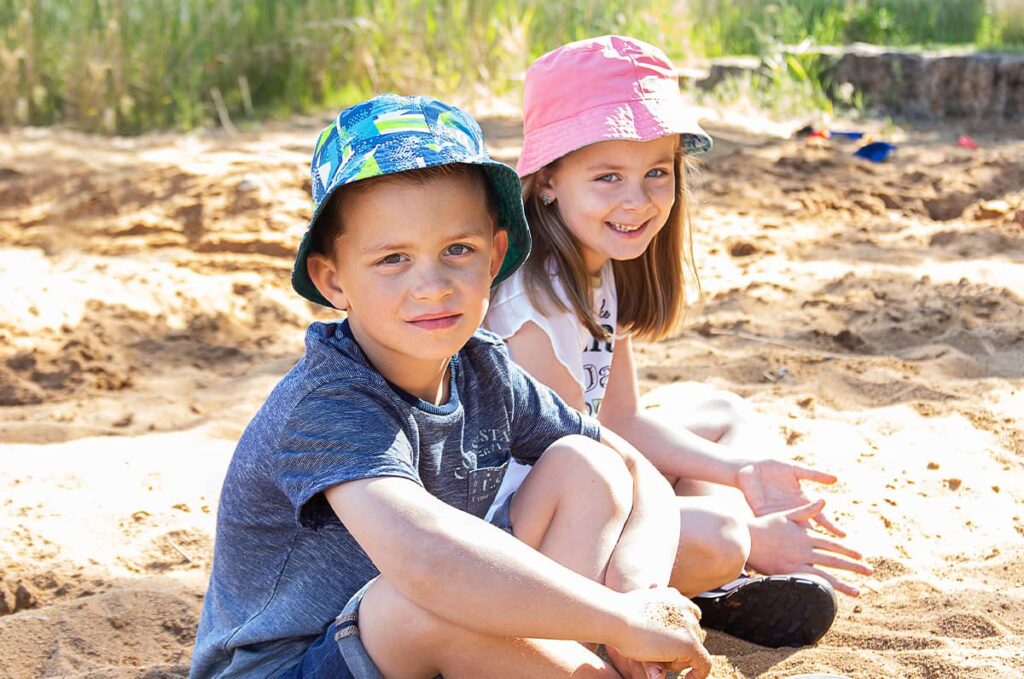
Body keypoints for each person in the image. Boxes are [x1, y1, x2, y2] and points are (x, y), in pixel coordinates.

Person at [190, 94, 712, 679]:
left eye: (457, 250)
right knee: (422, 605)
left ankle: (577, 662)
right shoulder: (328, 401)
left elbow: (638, 472)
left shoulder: (484, 367)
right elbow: (427, 561)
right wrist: (618, 620)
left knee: (585, 466)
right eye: (392, 259)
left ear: (494, 256)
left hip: (410, 645)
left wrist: (636, 596)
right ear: (332, 280)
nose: (433, 285)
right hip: (295, 665)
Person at [484, 35, 874, 648]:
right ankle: (712, 577)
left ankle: (702, 583)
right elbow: (585, 463)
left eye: (656, 173)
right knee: (722, 535)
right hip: (537, 536)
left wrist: (742, 471)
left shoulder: (596, 262)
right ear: (549, 181)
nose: (636, 201)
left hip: (601, 481)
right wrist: (749, 534)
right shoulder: (530, 304)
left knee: (723, 417)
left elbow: (621, 418)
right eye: (608, 176)